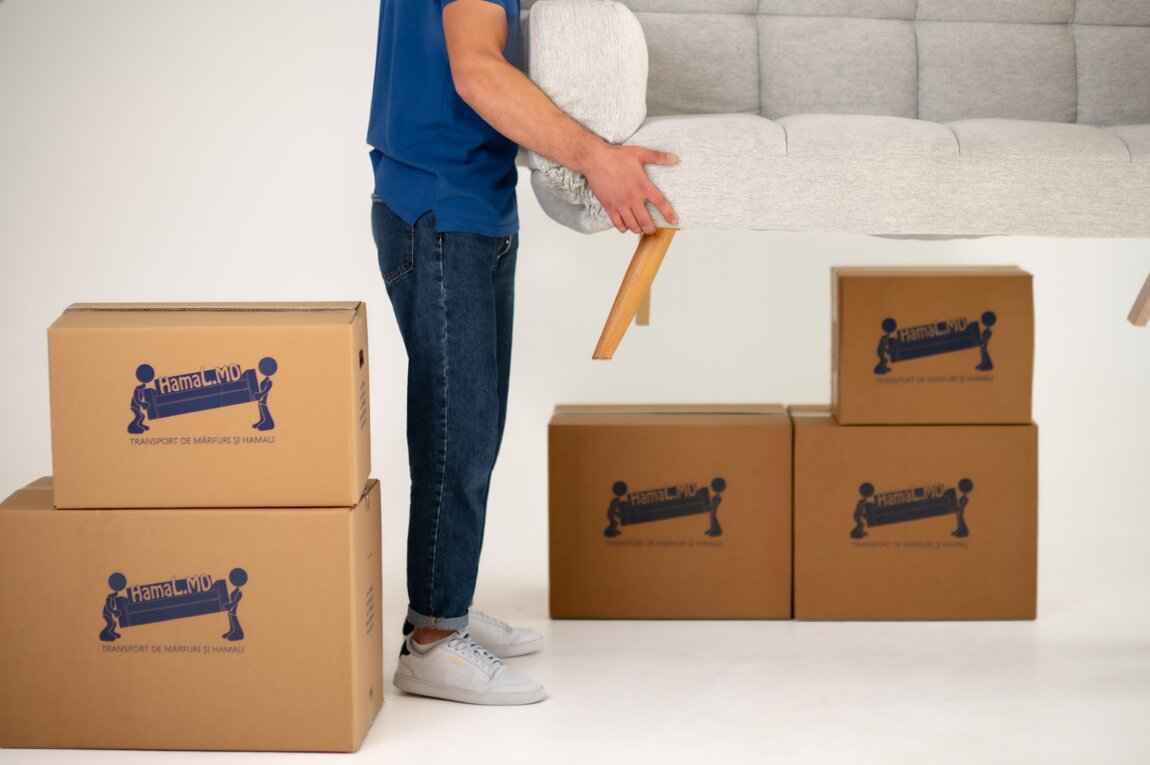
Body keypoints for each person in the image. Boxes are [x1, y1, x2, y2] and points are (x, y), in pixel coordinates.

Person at [367, 0, 677, 706]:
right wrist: (598, 160)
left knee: (473, 426)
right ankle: (434, 641)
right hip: (439, 206)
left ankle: (441, 605)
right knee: (458, 432)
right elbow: (477, 71)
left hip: (468, 201)